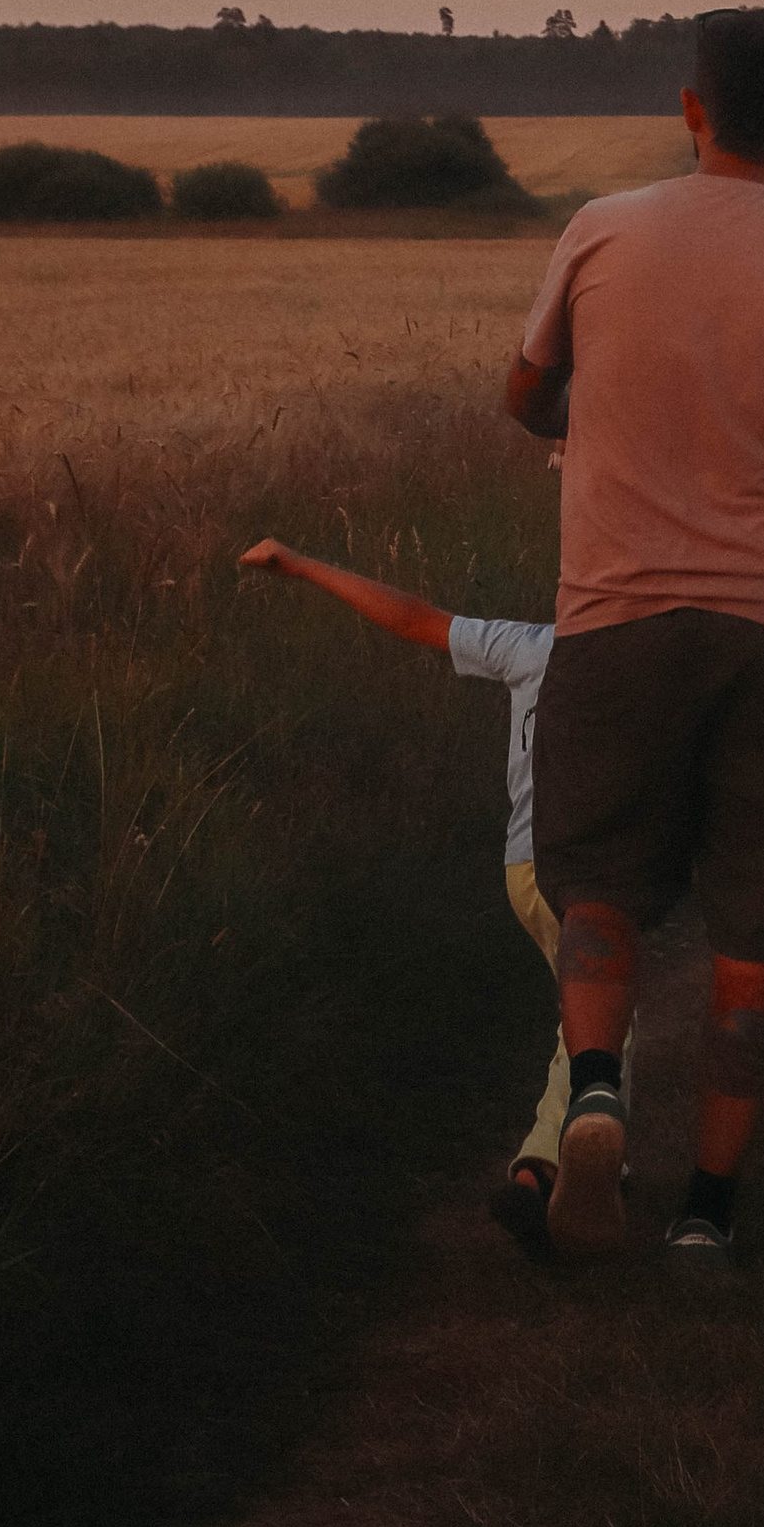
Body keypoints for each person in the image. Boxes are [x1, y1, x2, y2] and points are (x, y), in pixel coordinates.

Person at [505, 5, 764, 1267]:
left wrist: (594, 414)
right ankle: (706, 1214)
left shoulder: (600, 229)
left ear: (687, 107)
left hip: (615, 619)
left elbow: (524, 392)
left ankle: (592, 1089)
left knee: (599, 884)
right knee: (754, 928)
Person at [233, 531, 613, 1247]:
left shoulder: (530, 646)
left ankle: (589, 1165)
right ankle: (546, 1174)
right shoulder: (643, 668)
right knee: (605, 1018)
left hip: (524, 869)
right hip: (589, 876)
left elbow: (415, 619)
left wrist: (301, 563)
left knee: (587, 1015)